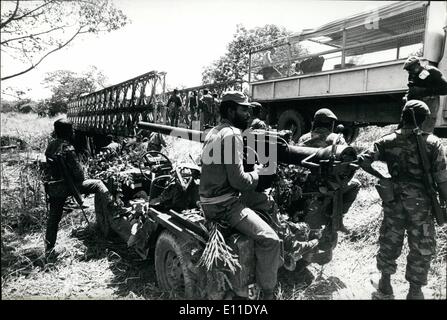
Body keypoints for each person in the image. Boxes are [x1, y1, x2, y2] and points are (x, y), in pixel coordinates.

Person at [199, 91, 316, 299]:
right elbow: (240, 182)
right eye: (243, 109)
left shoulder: (213, 132)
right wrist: (259, 171)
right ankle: (267, 293)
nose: (248, 113)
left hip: (212, 199)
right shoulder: (232, 134)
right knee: (269, 239)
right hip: (224, 205)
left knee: (266, 201)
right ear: (230, 110)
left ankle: (285, 251)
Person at [358, 100, 447, 300]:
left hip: (393, 200)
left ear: (403, 117)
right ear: (424, 119)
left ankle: (385, 285)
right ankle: (415, 292)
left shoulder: (387, 140)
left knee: (390, 239)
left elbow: (363, 160)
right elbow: (442, 180)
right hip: (421, 204)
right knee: (421, 246)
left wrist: (383, 178)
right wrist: (445, 203)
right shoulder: (432, 142)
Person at [44, 119, 115, 260]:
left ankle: (49, 250)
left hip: (54, 188)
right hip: (68, 186)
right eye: (71, 130)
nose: (73, 132)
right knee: (98, 184)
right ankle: (114, 209)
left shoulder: (50, 146)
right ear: (67, 132)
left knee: (53, 219)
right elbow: (79, 174)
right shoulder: (68, 148)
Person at [298, 108, 360, 234]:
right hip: (328, 183)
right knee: (356, 185)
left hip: (304, 182)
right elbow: (346, 162)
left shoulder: (303, 138)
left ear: (315, 122)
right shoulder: (337, 139)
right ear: (331, 124)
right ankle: (337, 216)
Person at [403, 56, 447, 131]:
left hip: (430, 101)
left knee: (427, 125)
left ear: (418, 64)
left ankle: (426, 141)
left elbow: (445, 89)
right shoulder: (412, 74)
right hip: (418, 102)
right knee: (416, 125)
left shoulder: (432, 71)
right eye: (408, 70)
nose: (410, 72)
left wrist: (424, 91)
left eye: (411, 69)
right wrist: (407, 96)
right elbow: (411, 88)